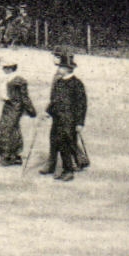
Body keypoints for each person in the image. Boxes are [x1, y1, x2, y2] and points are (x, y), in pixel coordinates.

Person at [40, 53, 87, 181]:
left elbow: (81, 105)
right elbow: (54, 100)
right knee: (54, 140)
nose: (58, 69)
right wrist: (47, 111)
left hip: (69, 120)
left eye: (61, 66)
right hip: (57, 118)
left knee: (66, 144)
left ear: (68, 68)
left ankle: (68, 170)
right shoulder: (59, 82)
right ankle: (51, 165)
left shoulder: (77, 84)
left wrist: (80, 123)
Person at [0, 56, 36, 165]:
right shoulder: (9, 78)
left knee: (7, 130)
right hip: (8, 106)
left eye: (5, 67)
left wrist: (31, 110)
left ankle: (8, 156)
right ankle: (14, 155)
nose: (3, 69)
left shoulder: (19, 80)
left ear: (10, 68)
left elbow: (24, 97)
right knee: (11, 129)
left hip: (14, 107)